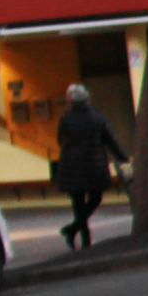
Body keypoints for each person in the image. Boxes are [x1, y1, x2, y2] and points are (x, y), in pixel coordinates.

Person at [54, 83, 124, 250]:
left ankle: (81, 237)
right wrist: (122, 156)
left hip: (71, 166)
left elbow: (59, 140)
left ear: (70, 100)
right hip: (94, 165)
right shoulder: (97, 117)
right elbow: (110, 139)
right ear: (87, 98)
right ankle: (73, 231)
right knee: (96, 198)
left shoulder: (65, 119)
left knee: (77, 203)